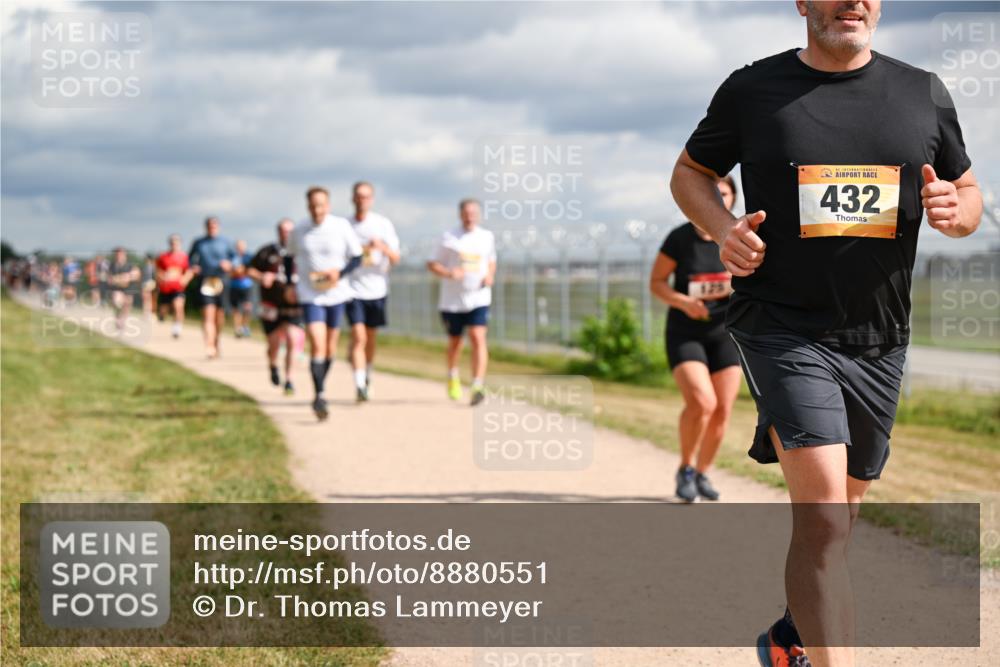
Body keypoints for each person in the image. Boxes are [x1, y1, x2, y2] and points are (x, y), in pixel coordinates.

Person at [670, 2, 982, 666]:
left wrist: (959, 213)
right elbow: (690, 173)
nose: (853, 2)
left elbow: (968, 189)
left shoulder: (921, 91)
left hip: (878, 338)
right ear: (803, 3)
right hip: (782, 328)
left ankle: (789, 640)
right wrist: (724, 232)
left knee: (839, 523)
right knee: (823, 519)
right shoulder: (752, 90)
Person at [650, 176, 742, 503]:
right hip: (686, 332)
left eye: (725, 191)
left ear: (733, 198)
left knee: (722, 410)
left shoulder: (743, 238)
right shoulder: (680, 239)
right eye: (712, 191)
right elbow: (657, 283)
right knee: (703, 402)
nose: (719, 196)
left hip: (726, 334)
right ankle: (686, 468)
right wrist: (683, 302)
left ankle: (703, 472)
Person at [288, 187, 363, 420]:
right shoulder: (299, 230)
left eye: (321, 205)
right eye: (312, 205)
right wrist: (291, 283)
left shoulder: (340, 226)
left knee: (330, 348)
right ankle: (319, 395)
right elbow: (288, 256)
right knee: (317, 344)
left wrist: (338, 273)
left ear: (327, 206)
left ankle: (321, 384)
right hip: (311, 295)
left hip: (337, 294)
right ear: (307, 206)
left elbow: (357, 257)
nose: (317, 210)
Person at [427, 198, 496, 406]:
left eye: (473, 213)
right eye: (466, 213)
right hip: (452, 301)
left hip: (479, 297)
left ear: (479, 215)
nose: (470, 217)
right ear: (460, 214)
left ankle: (477, 384)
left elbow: (491, 261)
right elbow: (432, 263)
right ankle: (453, 375)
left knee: (477, 337)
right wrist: (448, 273)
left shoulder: (486, 236)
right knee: (456, 342)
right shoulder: (448, 237)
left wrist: (490, 275)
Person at [346, 181, 401, 401]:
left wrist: (382, 247)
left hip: (377, 290)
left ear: (372, 199)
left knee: (370, 337)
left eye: (366, 196)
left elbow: (396, 258)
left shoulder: (382, 225)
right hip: (351, 289)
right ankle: (359, 384)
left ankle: (367, 372)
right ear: (352, 198)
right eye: (359, 196)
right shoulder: (345, 225)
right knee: (358, 336)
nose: (362, 200)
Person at [248, 219, 303, 395]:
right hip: (270, 304)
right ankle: (273, 365)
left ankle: (289, 380)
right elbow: (249, 270)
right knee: (273, 343)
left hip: (293, 306)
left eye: (289, 230)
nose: (285, 233)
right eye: (282, 230)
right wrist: (262, 276)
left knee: (292, 339)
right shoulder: (267, 251)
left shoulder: (302, 251)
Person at [188, 217, 236, 358]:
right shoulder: (199, 243)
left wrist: (229, 263)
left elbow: (235, 258)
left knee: (219, 316)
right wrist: (193, 267)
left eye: (214, 225)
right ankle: (209, 345)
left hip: (222, 280)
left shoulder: (226, 242)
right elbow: (190, 259)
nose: (212, 228)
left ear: (218, 227)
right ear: (206, 227)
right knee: (208, 313)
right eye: (209, 225)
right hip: (206, 280)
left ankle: (216, 341)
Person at [156, 234, 192, 338]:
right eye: (172, 242)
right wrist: (162, 277)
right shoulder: (163, 257)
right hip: (166, 288)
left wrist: (184, 280)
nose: (174, 244)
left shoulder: (184, 257)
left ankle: (177, 328)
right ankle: (162, 315)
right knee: (163, 309)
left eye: (176, 242)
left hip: (178, 287)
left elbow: (189, 271)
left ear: (180, 243)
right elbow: (157, 270)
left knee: (178, 306)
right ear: (169, 243)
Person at [107, 247, 140, 330]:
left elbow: (137, 274)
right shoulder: (112, 266)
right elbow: (109, 278)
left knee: (127, 304)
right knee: (116, 302)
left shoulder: (130, 265)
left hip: (128, 288)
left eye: (121, 254)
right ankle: (118, 317)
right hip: (117, 288)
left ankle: (122, 320)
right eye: (117, 254)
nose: (119, 256)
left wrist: (127, 277)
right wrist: (119, 279)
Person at [229, 239, 255, 338]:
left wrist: (242, 270)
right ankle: (237, 328)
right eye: (238, 246)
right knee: (236, 309)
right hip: (234, 286)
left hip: (246, 286)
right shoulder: (232, 257)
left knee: (247, 307)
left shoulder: (249, 257)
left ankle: (245, 326)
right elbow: (231, 271)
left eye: (242, 246)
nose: (240, 248)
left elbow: (250, 270)